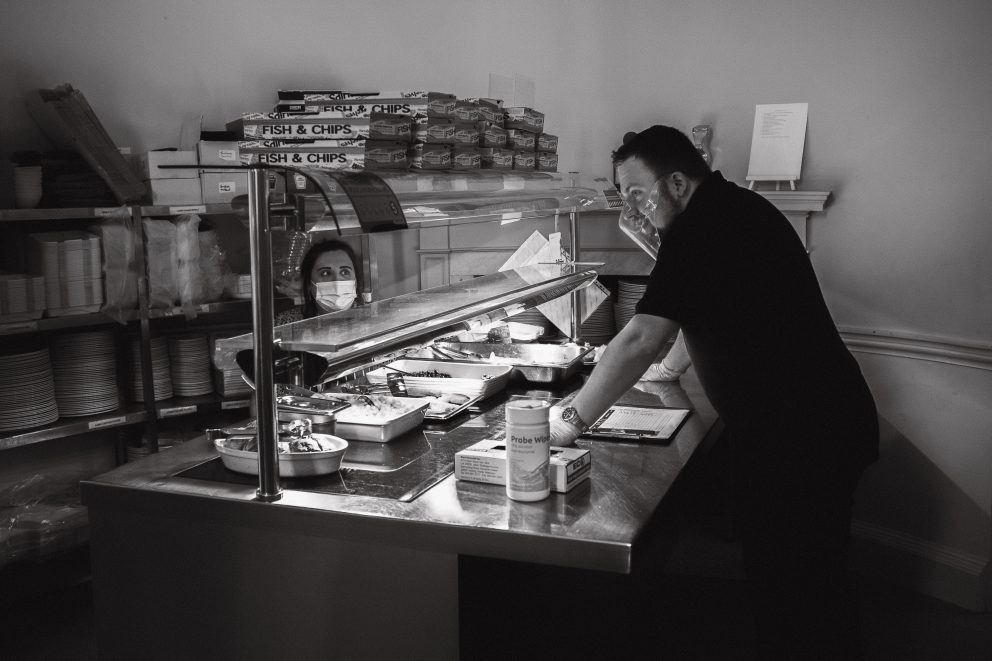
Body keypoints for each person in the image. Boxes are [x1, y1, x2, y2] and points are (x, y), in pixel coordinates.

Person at [550, 125, 879, 659]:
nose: (632, 208)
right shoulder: (730, 210)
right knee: (799, 579)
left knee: (800, 588)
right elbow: (703, 311)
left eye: (637, 193)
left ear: (676, 182)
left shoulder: (703, 227)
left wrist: (569, 419)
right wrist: (670, 370)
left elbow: (639, 337)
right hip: (808, 426)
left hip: (803, 436)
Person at [274, 238, 363, 326]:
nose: (337, 281)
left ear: (356, 280)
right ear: (309, 283)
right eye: (325, 273)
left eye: (345, 272)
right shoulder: (286, 323)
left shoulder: (371, 321)